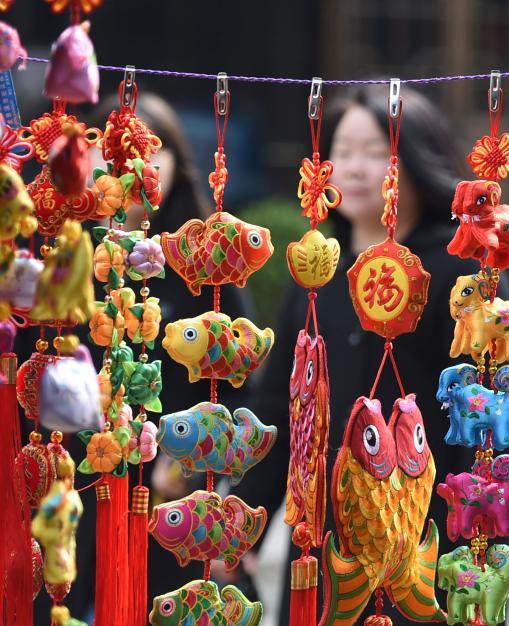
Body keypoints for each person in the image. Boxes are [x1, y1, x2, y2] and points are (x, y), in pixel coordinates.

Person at [232, 85, 499, 625]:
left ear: (419, 160)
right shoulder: (314, 273)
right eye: (341, 149)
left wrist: (476, 542)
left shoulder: (460, 273)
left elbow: (483, 420)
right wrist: (243, 523)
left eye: (376, 151)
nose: (353, 167)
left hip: (426, 533)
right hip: (327, 537)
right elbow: (282, 412)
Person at [22, 92, 254, 624]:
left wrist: (195, 467)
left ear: (177, 160)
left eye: (153, 151)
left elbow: (243, 387)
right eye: (115, 154)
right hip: (67, 487)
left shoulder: (207, 264)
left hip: (172, 499)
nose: (133, 169)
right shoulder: (62, 255)